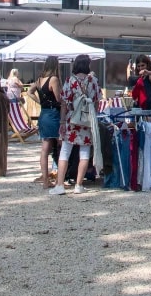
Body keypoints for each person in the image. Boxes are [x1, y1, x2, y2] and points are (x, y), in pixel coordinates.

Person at [50, 54, 101, 196]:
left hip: (71, 119)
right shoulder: (93, 81)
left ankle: (60, 185)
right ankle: (79, 185)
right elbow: (97, 101)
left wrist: (62, 121)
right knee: (84, 152)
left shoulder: (70, 81)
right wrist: (92, 117)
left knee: (65, 152)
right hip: (87, 121)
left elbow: (64, 103)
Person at [30, 57, 64, 188]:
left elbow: (29, 92)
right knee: (60, 146)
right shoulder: (53, 79)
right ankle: (59, 179)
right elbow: (59, 98)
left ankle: (45, 180)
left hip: (43, 113)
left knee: (45, 148)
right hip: (53, 114)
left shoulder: (39, 80)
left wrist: (40, 102)